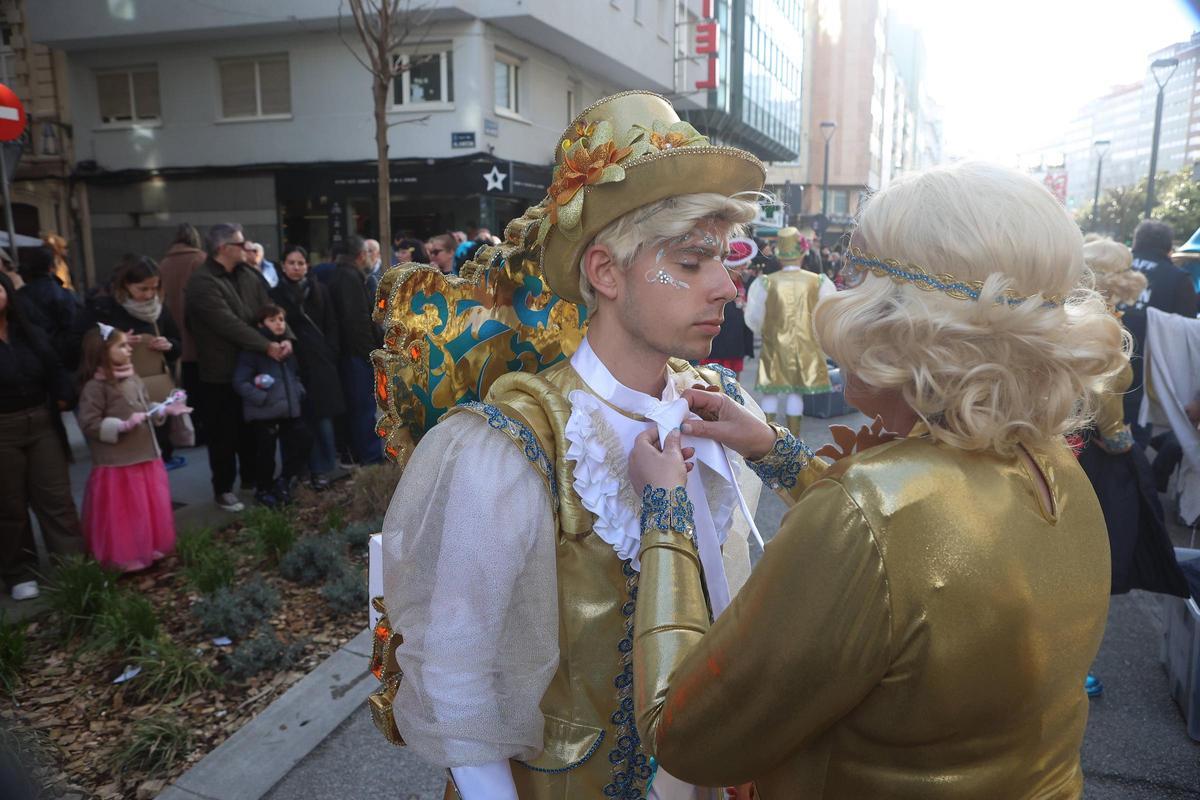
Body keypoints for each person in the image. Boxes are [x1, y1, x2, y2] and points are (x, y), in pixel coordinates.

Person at [625, 162, 1127, 798]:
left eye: (858, 275)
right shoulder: (1052, 464)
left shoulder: (871, 509)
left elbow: (684, 737)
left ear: (902, 321)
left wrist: (665, 514)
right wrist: (773, 448)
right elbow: (906, 570)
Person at [381, 90, 767, 799]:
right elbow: (456, 673)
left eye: (725, 259)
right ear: (606, 273)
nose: (726, 287)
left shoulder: (720, 410)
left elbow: (732, 599)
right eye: (689, 262)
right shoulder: (511, 447)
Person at [1074, 237, 1190, 698]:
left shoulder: (1079, 315)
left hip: (1069, 448)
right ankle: (1070, 662)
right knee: (1096, 554)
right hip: (1093, 453)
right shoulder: (1100, 324)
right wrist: (1122, 443)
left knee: (1080, 551)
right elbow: (1104, 398)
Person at [185, 223, 291, 512]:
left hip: (254, 366)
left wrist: (286, 338)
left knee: (251, 431)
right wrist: (267, 344)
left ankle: (252, 480)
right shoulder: (202, 282)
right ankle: (223, 489)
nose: (248, 248)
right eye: (240, 244)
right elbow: (228, 324)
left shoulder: (248, 274)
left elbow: (270, 308)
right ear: (223, 249)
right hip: (220, 371)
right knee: (223, 434)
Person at [75, 325, 189, 571]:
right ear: (103, 352)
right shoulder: (95, 387)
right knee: (123, 511)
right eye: (122, 346)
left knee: (147, 506)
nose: (129, 350)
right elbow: (88, 423)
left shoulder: (133, 377)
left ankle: (148, 547)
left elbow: (146, 405)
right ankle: (125, 555)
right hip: (118, 463)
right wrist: (121, 425)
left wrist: (166, 409)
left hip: (145, 454)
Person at [0, 271, 82, 601]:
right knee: (10, 504)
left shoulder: (27, 330)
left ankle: (73, 563)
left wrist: (64, 393)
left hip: (42, 420)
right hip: (3, 427)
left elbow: (55, 367)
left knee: (56, 497)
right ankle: (20, 571)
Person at [81, 255, 186, 470]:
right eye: (142, 289)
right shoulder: (104, 308)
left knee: (156, 441)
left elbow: (177, 345)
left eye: (154, 288)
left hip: (154, 385)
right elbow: (80, 342)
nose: (148, 295)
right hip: (116, 390)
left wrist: (168, 345)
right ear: (126, 285)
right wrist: (116, 341)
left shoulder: (159, 309)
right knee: (128, 447)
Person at [744, 225, 836, 436]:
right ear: (803, 253)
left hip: (774, 344)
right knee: (797, 391)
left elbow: (754, 317)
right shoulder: (819, 282)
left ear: (779, 256)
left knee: (770, 392)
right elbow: (827, 315)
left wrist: (765, 331)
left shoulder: (765, 282)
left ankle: (768, 436)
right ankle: (795, 438)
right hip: (805, 344)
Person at [269, 245, 343, 488]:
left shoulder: (319, 289)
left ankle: (324, 468)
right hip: (292, 362)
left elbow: (332, 323)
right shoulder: (275, 294)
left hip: (320, 362)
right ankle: (299, 469)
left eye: (300, 263)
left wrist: (330, 351)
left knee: (322, 418)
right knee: (295, 421)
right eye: (291, 263)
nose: (296, 267)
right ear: (283, 265)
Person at [1120, 219, 1199, 445]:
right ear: (1168, 249)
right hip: (1145, 383)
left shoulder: (1112, 270)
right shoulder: (1177, 279)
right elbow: (1187, 336)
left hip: (1099, 374)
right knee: (1133, 449)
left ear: (1135, 244)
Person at [232, 305, 311, 507]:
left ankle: (283, 481)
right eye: (272, 320)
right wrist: (262, 398)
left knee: (300, 443)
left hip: (289, 409)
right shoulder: (254, 350)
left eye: (281, 320)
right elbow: (240, 382)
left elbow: (294, 375)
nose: (279, 324)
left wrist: (298, 392)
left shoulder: (287, 347)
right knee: (266, 454)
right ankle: (264, 489)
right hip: (265, 413)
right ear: (260, 324)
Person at [328, 235, 382, 465]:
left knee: (360, 408)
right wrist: (370, 353)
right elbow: (357, 322)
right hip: (356, 355)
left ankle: (361, 454)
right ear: (361, 255)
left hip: (351, 353)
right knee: (363, 408)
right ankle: (369, 457)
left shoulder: (342, 274)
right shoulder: (349, 278)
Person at [158, 224, 207, 434]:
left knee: (181, 384)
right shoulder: (201, 261)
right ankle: (200, 428)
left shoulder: (164, 263)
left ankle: (186, 428)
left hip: (170, 331)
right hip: (197, 335)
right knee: (200, 386)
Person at [701, 237, 756, 378]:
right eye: (742, 264)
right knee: (716, 379)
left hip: (736, 339)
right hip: (721, 340)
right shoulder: (718, 281)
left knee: (734, 380)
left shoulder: (740, 281)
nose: (745, 267)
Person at [17, 245, 80, 367]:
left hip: (32, 356)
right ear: (52, 267)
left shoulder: (20, 295)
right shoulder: (64, 294)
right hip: (60, 356)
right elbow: (71, 327)